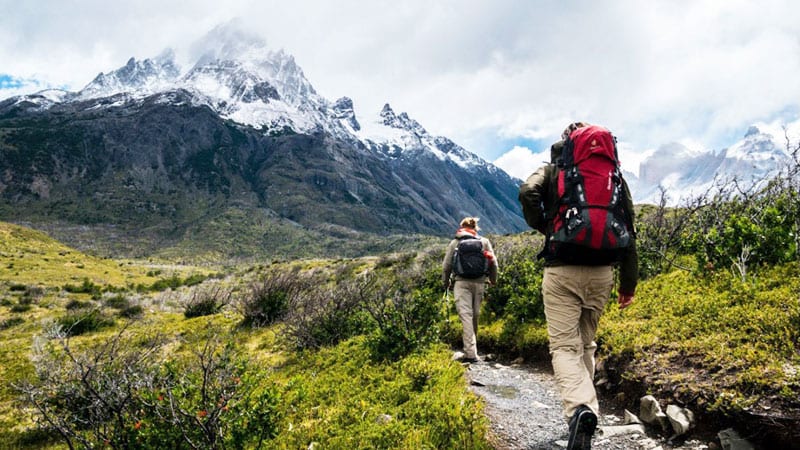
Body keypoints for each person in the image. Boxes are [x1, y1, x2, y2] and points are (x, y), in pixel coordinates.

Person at [518, 122, 638, 450]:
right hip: (603, 273)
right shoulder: (613, 176)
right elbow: (628, 227)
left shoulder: (555, 170)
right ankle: (590, 413)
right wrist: (629, 283)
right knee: (586, 343)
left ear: (567, 143)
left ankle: (580, 410)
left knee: (563, 347)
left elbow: (527, 192)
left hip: (562, 270)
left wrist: (546, 226)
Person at [441, 217, 498, 363]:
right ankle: (472, 348)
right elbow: (493, 263)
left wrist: (446, 283)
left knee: (466, 316)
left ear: (462, 227)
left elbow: (446, 266)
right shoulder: (484, 242)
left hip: (461, 283)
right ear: (475, 228)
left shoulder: (455, 243)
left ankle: (471, 353)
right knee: (475, 315)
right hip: (480, 283)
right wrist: (493, 280)